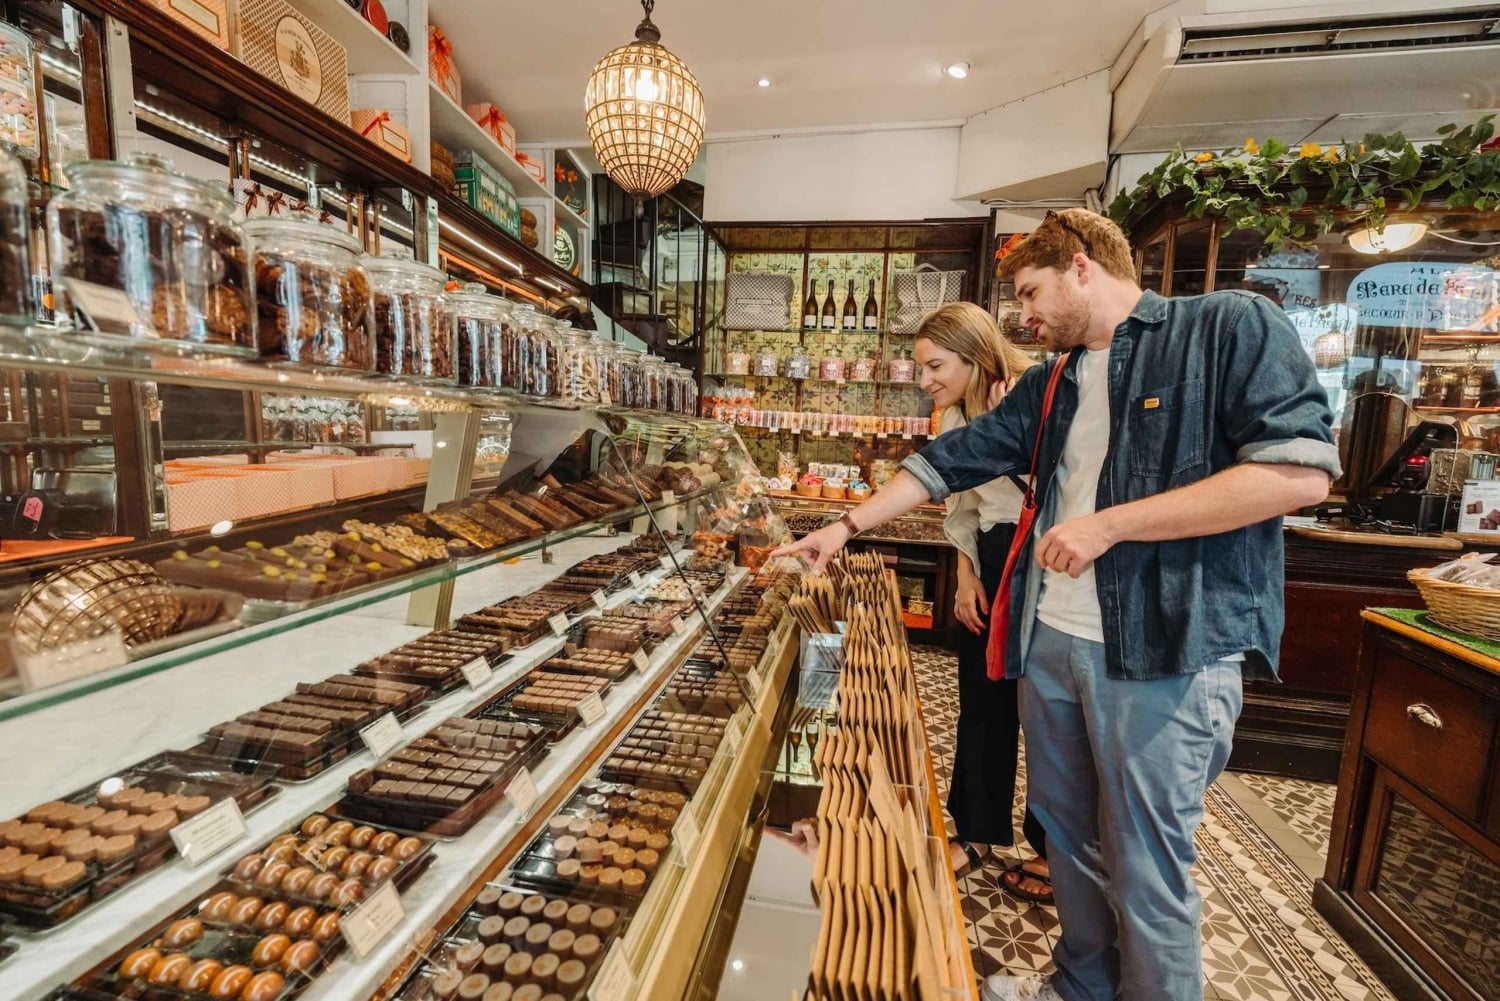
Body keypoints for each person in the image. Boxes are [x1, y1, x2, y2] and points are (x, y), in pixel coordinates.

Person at [773, 209, 1339, 1001]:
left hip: (1165, 652)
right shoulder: (1053, 383)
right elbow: (949, 461)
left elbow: (1300, 474)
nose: (1024, 316)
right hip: (1053, 640)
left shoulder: (1224, 327)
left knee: (1145, 862)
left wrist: (1110, 525)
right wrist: (842, 527)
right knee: (1069, 840)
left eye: (1032, 292)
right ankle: (1080, 987)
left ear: (1081, 266)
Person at [917, 303, 1050, 901]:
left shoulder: (1034, 393)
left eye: (936, 366)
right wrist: (966, 577)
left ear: (974, 356)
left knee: (1047, 709)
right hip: (991, 554)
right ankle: (975, 831)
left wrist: (1008, 425)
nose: (926, 380)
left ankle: (1049, 846)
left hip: (1045, 555)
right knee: (981, 698)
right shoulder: (952, 419)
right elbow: (962, 506)